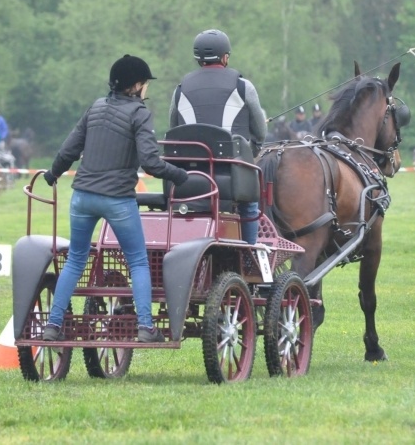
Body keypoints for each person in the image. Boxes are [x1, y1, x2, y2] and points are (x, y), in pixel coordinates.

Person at [42, 54, 188, 343]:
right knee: (137, 262)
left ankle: (53, 324)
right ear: (135, 86)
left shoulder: (95, 107)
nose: (146, 88)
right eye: (145, 83)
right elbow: (150, 162)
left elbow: (70, 148)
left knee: (75, 261)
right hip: (117, 199)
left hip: (82, 197)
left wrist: (52, 173)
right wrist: (180, 176)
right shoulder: (140, 113)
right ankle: (145, 327)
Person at [169, 29, 267, 245]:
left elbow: (174, 129)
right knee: (250, 203)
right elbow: (260, 131)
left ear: (198, 59)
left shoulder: (179, 90)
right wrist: (255, 150)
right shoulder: (243, 86)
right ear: (225, 57)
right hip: (231, 178)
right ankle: (249, 251)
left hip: (188, 179)